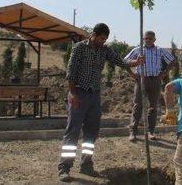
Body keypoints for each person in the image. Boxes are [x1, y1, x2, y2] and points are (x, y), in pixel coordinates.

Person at [57, 23, 144, 182]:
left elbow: (119, 60)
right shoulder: (79, 48)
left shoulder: (104, 50)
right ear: (94, 34)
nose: (102, 42)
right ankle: (64, 168)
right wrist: (73, 93)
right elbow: (71, 72)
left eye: (105, 40)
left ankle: (86, 164)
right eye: (101, 38)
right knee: (73, 131)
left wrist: (135, 63)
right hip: (79, 93)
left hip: (94, 95)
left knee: (91, 131)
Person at [124, 30, 176, 141]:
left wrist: (164, 73)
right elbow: (125, 61)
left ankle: (150, 132)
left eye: (150, 38)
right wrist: (133, 72)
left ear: (154, 40)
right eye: (146, 38)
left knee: (153, 107)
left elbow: (172, 61)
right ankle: (133, 132)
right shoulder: (138, 50)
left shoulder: (160, 50)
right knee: (137, 106)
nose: (148, 40)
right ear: (143, 39)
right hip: (141, 80)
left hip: (155, 80)